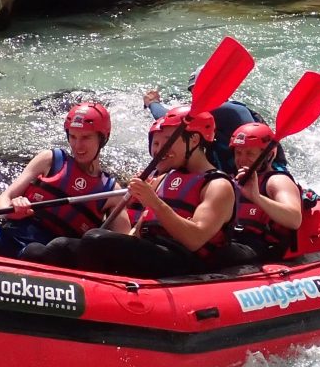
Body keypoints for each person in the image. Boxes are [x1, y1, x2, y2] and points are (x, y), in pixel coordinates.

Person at [71, 105, 239, 278]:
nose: (160, 149)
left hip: (184, 264)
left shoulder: (218, 186)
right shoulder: (166, 177)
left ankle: (92, 293)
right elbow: (139, 228)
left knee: (95, 240)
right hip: (152, 251)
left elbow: (194, 240)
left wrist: (154, 202)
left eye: (169, 140)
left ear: (194, 140)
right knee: (62, 246)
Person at [0, 102, 130, 259]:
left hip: (46, 255)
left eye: (86, 137)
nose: (78, 146)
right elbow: (1, 202)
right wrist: (11, 210)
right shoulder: (49, 160)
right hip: (11, 236)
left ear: (102, 138)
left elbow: (123, 246)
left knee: (35, 252)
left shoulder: (111, 191)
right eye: (73, 136)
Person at [143, 65, 288, 175]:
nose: (197, 96)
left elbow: (170, 119)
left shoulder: (232, 111)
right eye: (194, 91)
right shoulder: (205, 114)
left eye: (202, 90)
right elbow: (171, 123)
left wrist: (153, 103)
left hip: (265, 173)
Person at [229, 122, 303, 263]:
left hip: (262, 249)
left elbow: (294, 219)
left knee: (221, 253)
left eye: (250, 153)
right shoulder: (231, 180)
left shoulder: (277, 180)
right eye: (238, 153)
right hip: (233, 242)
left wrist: (256, 197)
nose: (242, 159)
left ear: (269, 156)